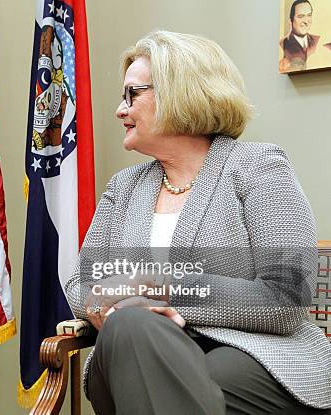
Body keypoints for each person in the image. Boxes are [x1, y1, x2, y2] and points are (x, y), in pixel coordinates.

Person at [65, 30, 331, 414]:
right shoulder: (124, 188)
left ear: (179, 92)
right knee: (132, 329)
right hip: (132, 352)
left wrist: (164, 289)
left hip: (253, 357)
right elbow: (81, 283)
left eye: (132, 95)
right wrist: (112, 305)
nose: (119, 111)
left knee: (193, 376)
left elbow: (285, 296)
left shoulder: (258, 168)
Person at [280, 0, 321, 71]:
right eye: (301, 16)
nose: (306, 21)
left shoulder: (317, 41)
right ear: (291, 21)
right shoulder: (282, 45)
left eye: (309, 15)